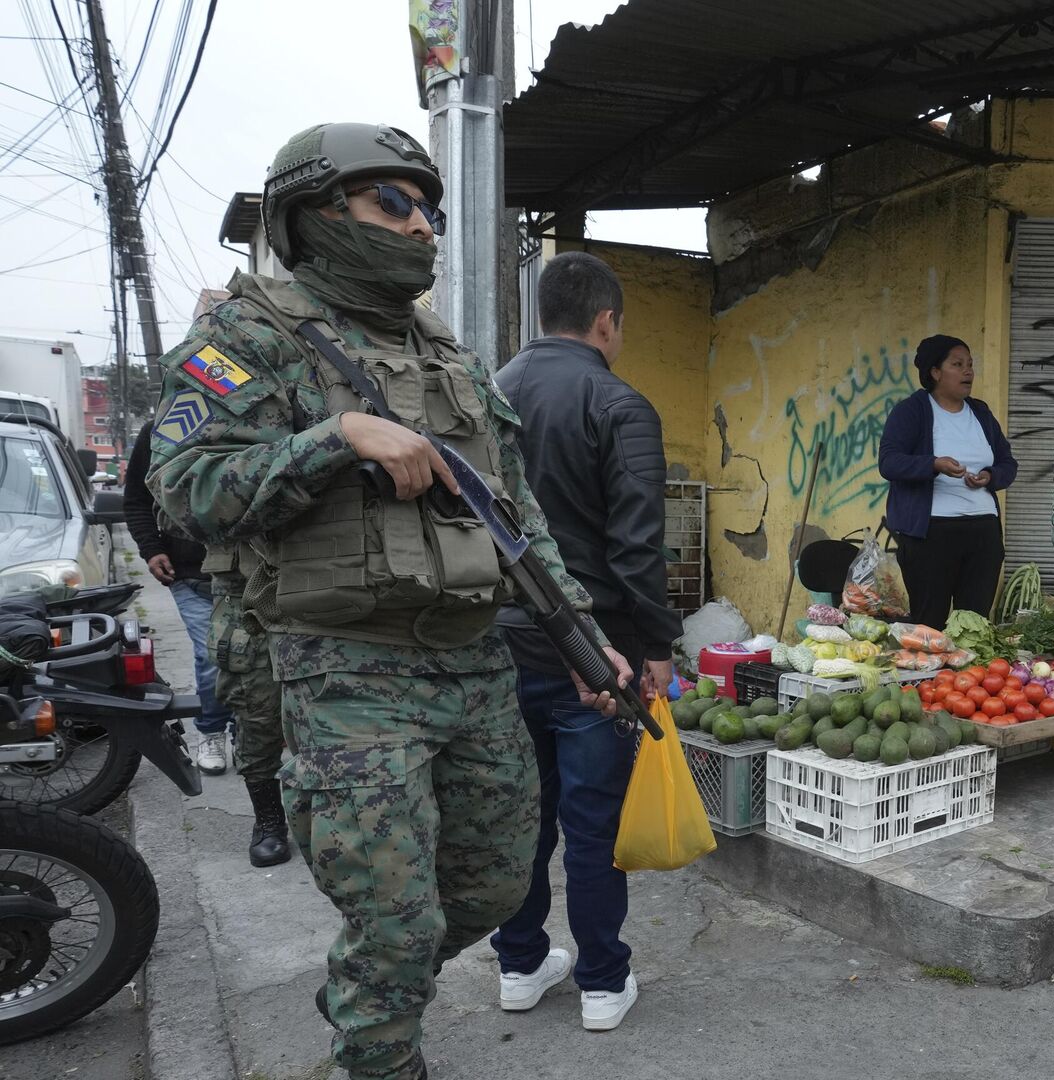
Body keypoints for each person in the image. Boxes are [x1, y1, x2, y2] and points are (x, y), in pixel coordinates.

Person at [146, 122, 630, 1080]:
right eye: (393, 203)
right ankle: (379, 1052)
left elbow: (515, 514)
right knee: (396, 913)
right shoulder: (250, 334)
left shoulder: (446, 351)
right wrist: (338, 438)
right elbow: (186, 490)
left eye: (429, 210)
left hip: (473, 659)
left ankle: (375, 988)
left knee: (495, 888)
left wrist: (584, 640)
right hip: (344, 671)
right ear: (313, 215)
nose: (421, 228)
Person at [487, 250, 681, 1031]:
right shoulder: (618, 402)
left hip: (496, 643)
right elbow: (638, 547)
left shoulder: (486, 392)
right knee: (593, 821)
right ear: (606, 321)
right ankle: (602, 981)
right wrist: (658, 644)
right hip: (591, 654)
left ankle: (520, 964)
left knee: (519, 814)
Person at [127, 420, 291, 866]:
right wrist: (151, 547)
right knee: (250, 690)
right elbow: (143, 497)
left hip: (310, 574)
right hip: (226, 579)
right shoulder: (175, 423)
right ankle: (268, 816)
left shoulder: (302, 401)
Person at [123, 421, 237, 778]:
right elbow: (136, 499)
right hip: (189, 573)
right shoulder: (161, 429)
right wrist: (151, 549)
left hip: (249, 570)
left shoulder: (250, 417)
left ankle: (248, 735)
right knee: (213, 655)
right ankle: (212, 731)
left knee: (254, 657)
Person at [878, 334, 1017, 626]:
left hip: (983, 532)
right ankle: (932, 674)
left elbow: (1008, 463)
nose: (968, 371)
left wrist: (990, 476)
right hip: (931, 536)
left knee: (973, 624)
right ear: (935, 372)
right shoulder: (912, 411)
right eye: (957, 364)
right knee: (930, 624)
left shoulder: (980, 412)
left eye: (970, 365)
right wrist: (933, 464)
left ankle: (967, 673)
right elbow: (889, 462)